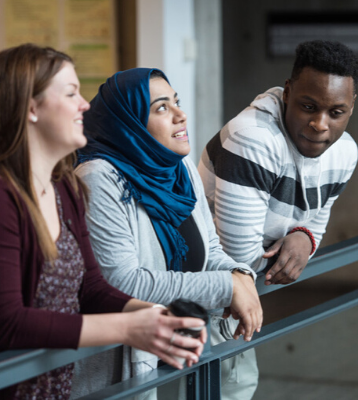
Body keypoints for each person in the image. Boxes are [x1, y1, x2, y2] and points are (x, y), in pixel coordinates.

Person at [0, 44, 207, 399]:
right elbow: (5, 324)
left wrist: (157, 316)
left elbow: (91, 287)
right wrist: (130, 327)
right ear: (32, 108)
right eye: (71, 93)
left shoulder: (64, 185)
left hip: (49, 386)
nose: (85, 105)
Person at [70, 68, 263, 399]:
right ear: (128, 123)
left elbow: (209, 248)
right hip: (120, 365)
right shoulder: (98, 178)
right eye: (161, 108)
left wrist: (238, 275)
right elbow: (122, 283)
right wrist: (225, 286)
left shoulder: (178, 168)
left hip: (177, 346)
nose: (180, 114)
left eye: (177, 102)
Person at [198, 40, 358, 397]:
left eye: (336, 112)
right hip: (196, 300)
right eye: (308, 106)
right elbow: (239, 258)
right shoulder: (252, 138)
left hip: (236, 300)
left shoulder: (345, 151)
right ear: (287, 92)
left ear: (351, 108)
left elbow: (315, 223)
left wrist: (304, 236)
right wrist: (293, 244)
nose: (320, 124)